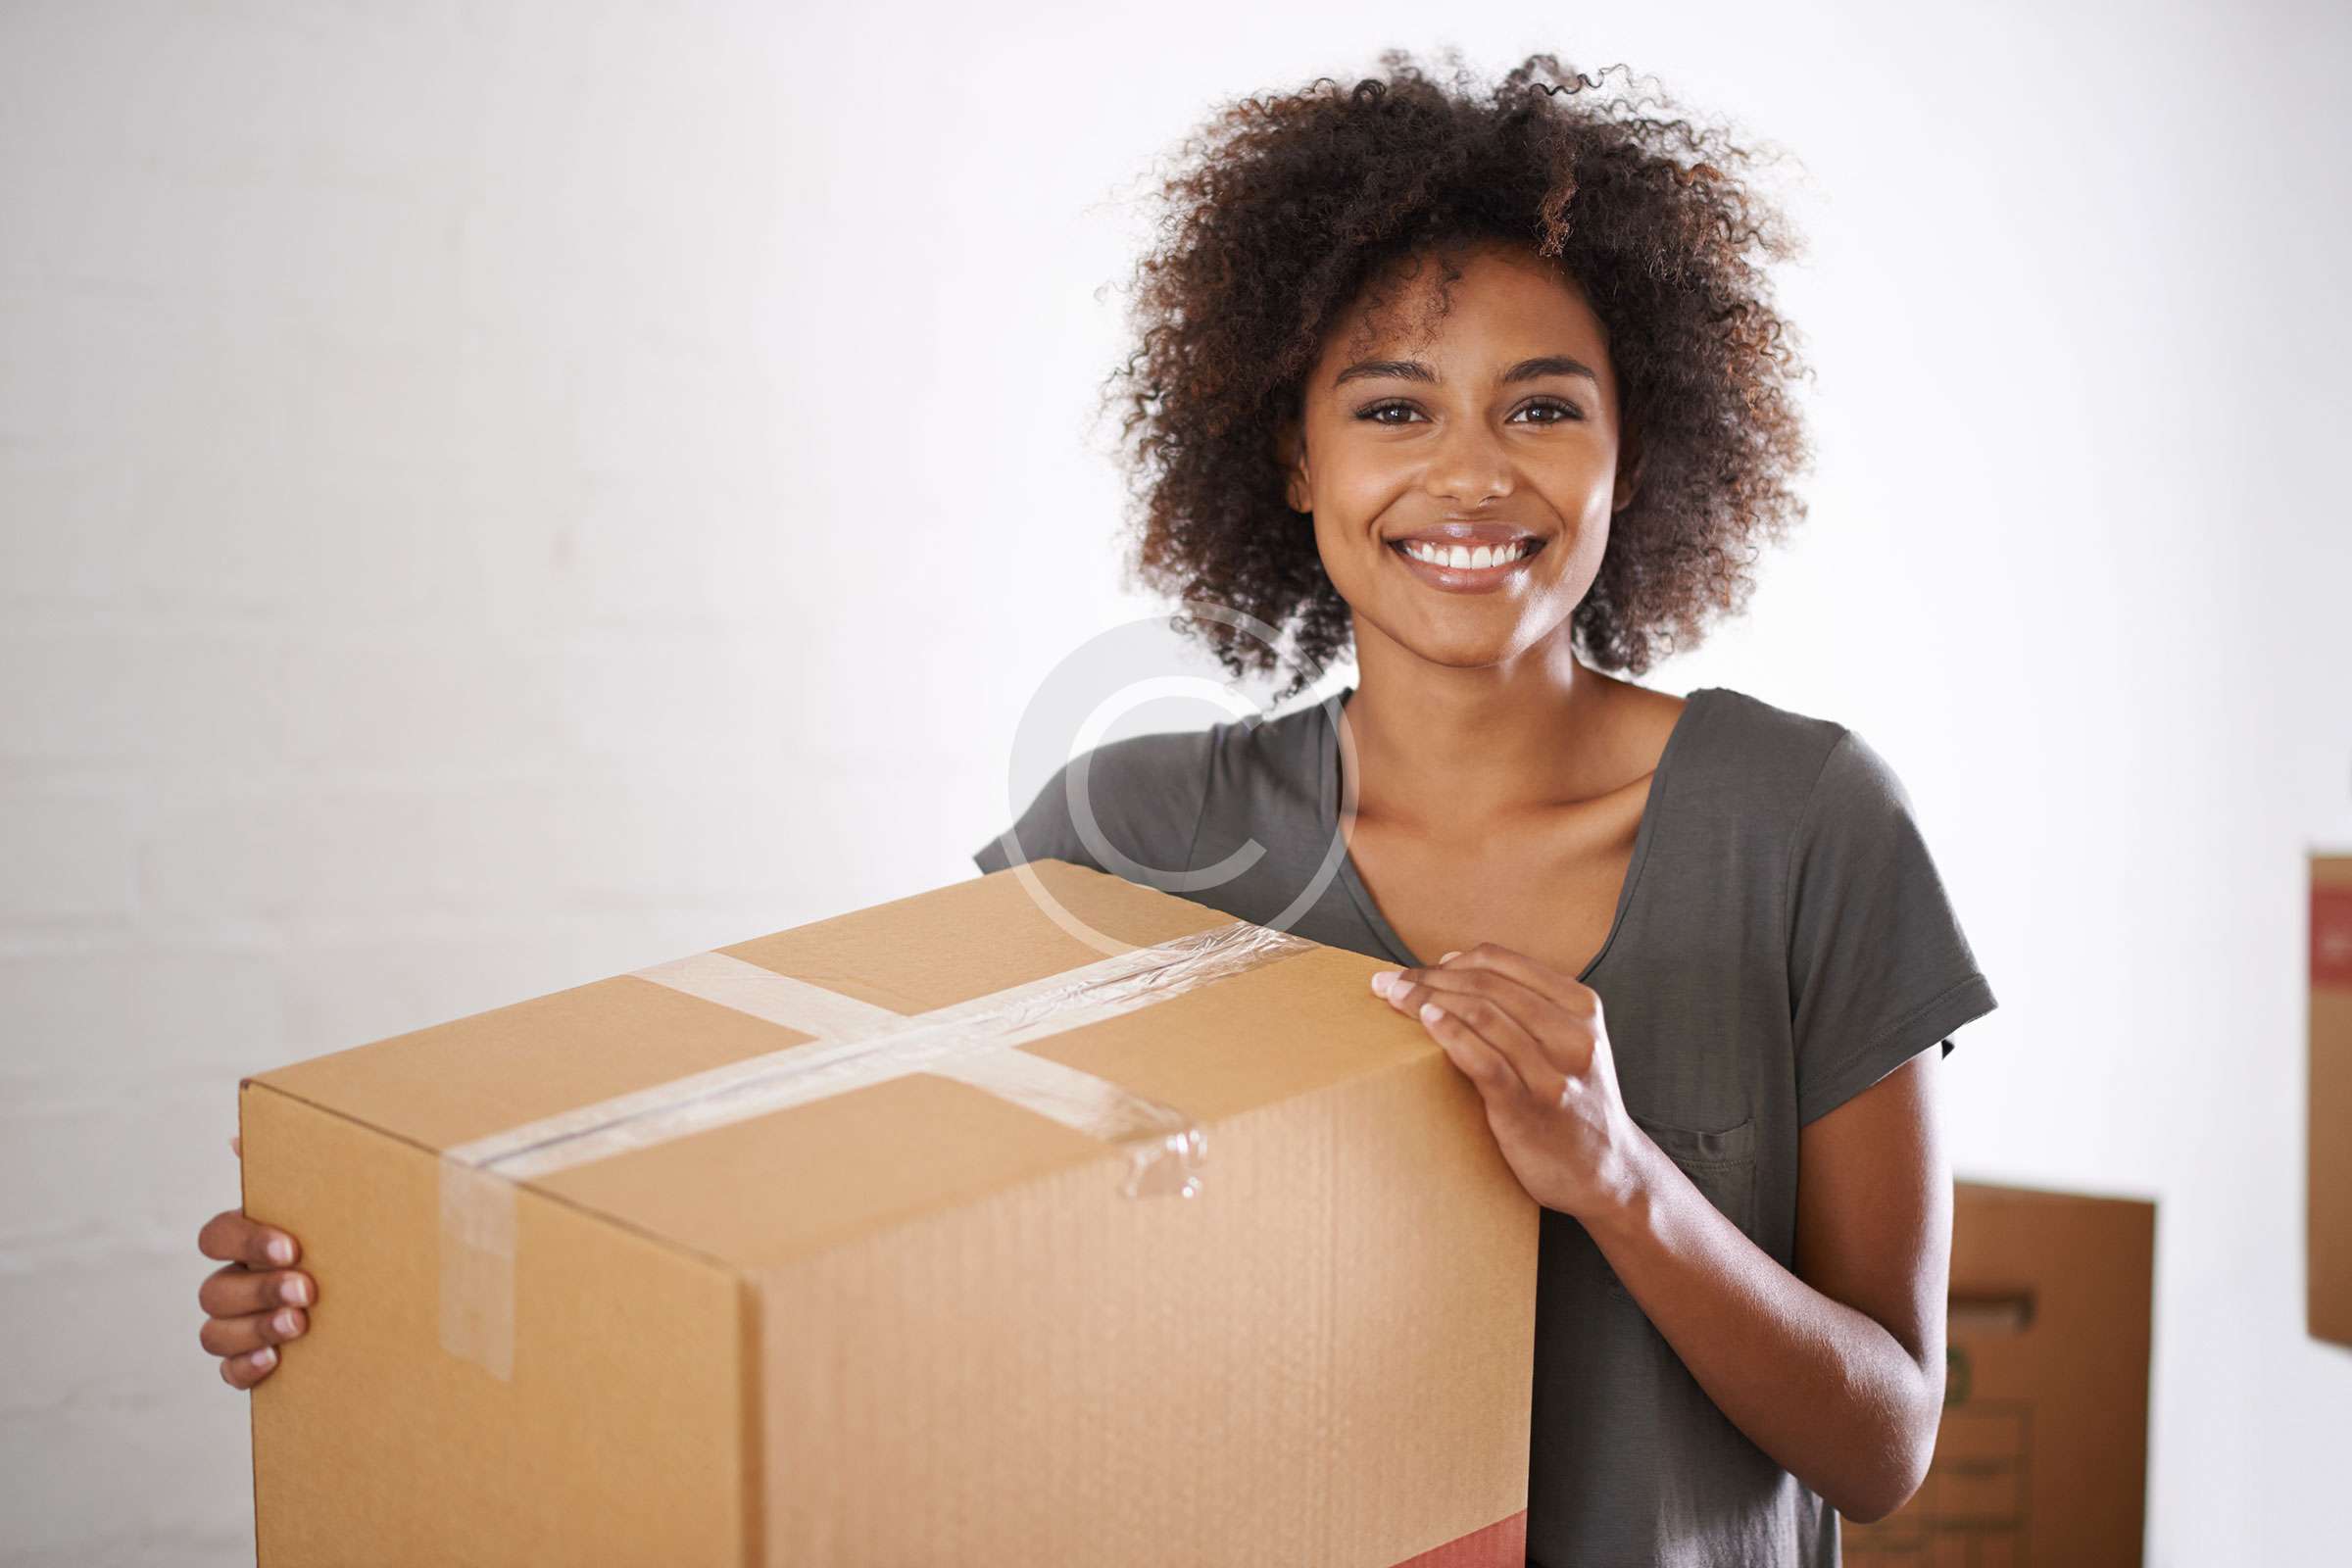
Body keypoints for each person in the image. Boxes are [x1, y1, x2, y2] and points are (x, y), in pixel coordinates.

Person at [199, 49, 1997, 1567]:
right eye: (1393, 410)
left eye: (1543, 408)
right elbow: (871, 1246)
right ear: (1293, 456)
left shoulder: (1804, 825)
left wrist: (1620, 1179)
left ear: (1633, 448)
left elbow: (1884, 1445)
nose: (1469, 474)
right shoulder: (1131, 846)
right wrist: (386, 1287)